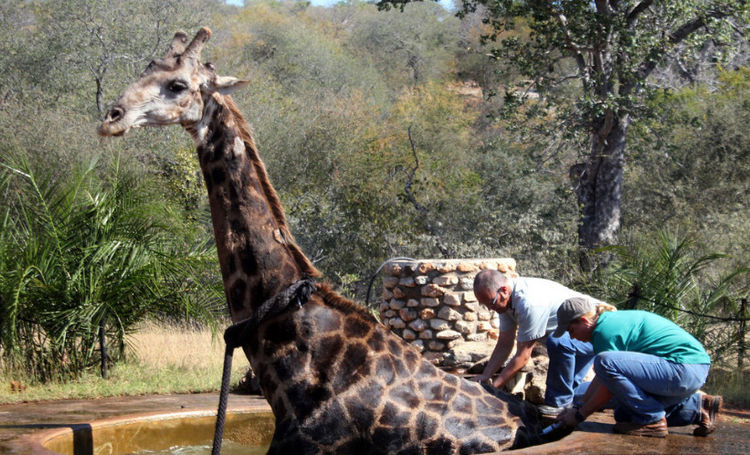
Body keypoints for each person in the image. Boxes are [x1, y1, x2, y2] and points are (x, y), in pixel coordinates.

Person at [554, 297, 721, 438]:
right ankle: (699, 407)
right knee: (624, 415)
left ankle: (653, 420)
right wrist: (577, 407)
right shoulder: (608, 323)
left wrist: (580, 415)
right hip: (686, 370)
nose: (572, 337)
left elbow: (606, 383)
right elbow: (604, 379)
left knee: (604, 361)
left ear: (584, 321)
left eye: (571, 330)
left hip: (683, 368)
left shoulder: (604, 331)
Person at [471, 270, 609, 417]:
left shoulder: (529, 303)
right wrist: (485, 376)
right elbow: (505, 343)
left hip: (595, 332)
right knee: (573, 393)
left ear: (504, 290)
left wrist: (493, 389)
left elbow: (523, 356)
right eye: (485, 305)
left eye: (491, 303)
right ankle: (612, 396)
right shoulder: (504, 303)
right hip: (575, 338)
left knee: (558, 343)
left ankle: (557, 405)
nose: (491, 309)